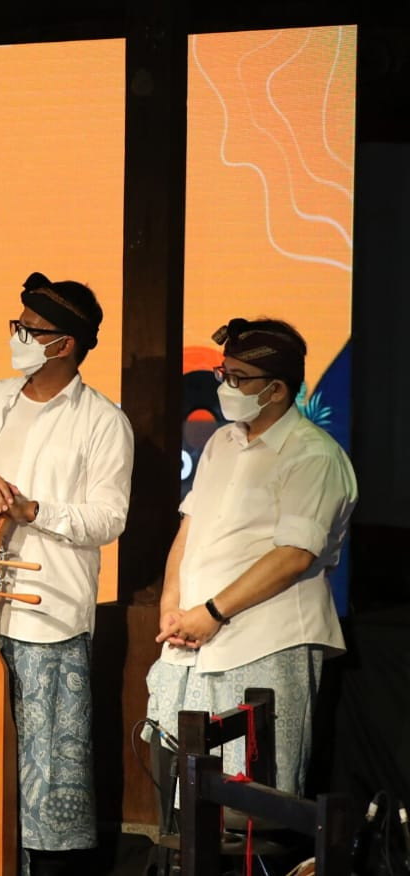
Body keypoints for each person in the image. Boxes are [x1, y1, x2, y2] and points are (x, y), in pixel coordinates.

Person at [0, 272, 134, 875]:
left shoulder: (102, 420)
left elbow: (108, 517)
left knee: (48, 774)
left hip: (49, 613)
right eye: (17, 324)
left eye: (29, 328)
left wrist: (31, 511)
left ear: (63, 344)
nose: (16, 335)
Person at [146, 318, 356, 797]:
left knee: (256, 798)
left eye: (239, 378)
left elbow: (295, 555)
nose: (226, 386)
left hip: (265, 644)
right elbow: (190, 526)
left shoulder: (312, 455)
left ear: (277, 388)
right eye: (225, 374)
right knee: (189, 795)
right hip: (194, 642)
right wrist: (172, 604)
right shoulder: (223, 442)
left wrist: (215, 611)